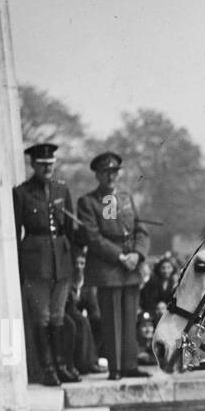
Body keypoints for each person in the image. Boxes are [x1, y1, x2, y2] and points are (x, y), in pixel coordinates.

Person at [77, 151, 151, 380]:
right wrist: (121, 257)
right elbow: (94, 237)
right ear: (97, 175)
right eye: (105, 172)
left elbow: (140, 229)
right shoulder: (88, 202)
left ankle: (130, 365)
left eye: (114, 172)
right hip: (109, 266)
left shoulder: (126, 198)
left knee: (130, 317)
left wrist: (138, 255)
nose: (111, 176)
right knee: (112, 319)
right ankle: (116, 368)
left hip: (131, 266)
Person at [12, 142, 79, 385]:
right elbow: (16, 231)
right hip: (36, 261)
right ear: (33, 165)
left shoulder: (62, 190)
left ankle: (61, 365)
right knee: (42, 317)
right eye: (42, 165)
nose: (47, 169)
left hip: (61, 260)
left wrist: (73, 261)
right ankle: (48, 368)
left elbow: (70, 230)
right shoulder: (22, 193)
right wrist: (21, 267)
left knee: (58, 316)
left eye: (50, 164)